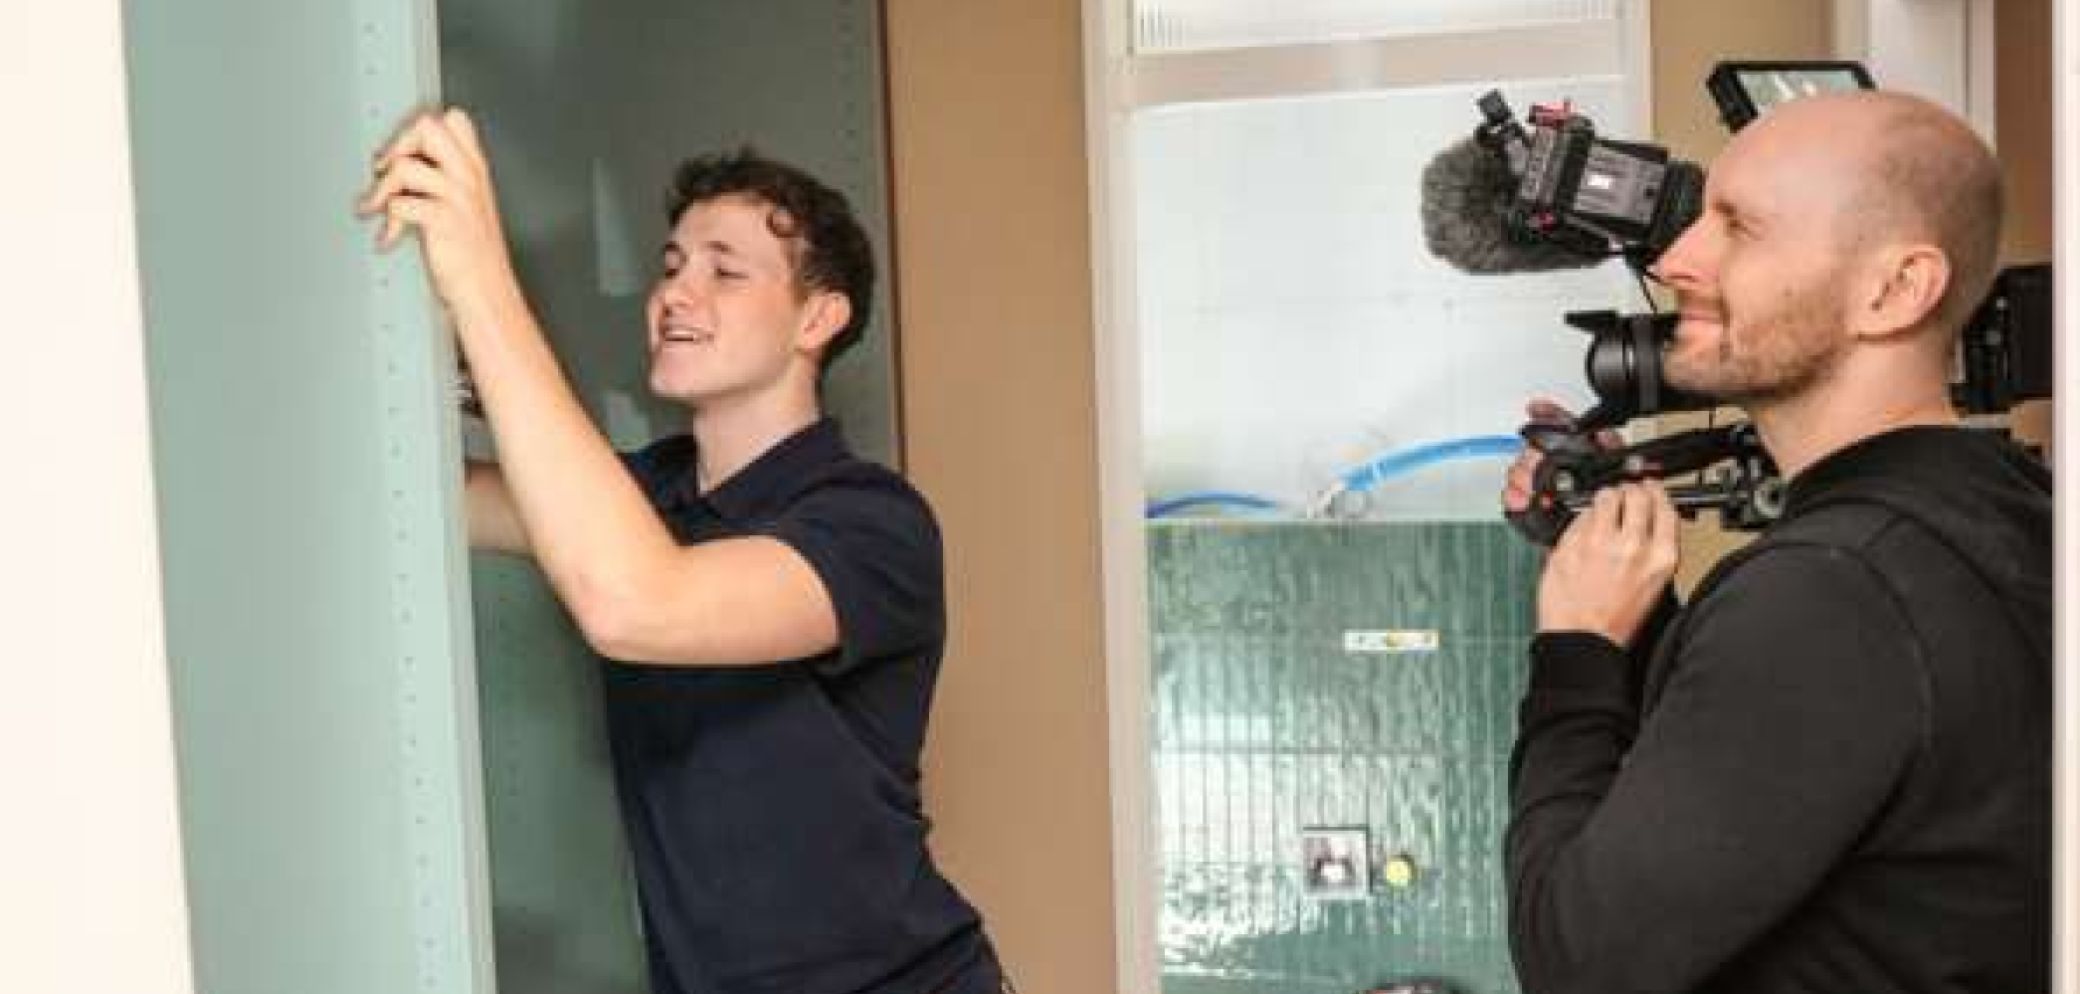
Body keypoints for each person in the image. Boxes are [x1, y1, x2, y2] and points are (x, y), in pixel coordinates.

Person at [359, 110, 1008, 994]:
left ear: (818, 317)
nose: (676, 293)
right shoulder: (645, 498)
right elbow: (441, 502)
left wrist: (481, 277)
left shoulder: (874, 527)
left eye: (724, 271)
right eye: (671, 267)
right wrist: (428, 353)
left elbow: (634, 602)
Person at [1500, 91, 2050, 993]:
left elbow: (1575, 965)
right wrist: (1629, 609)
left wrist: (1578, 654)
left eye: (1739, 227)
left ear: (1894, 290)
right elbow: (1779, 770)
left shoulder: (1832, 593)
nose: (1675, 260)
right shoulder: (1995, 512)